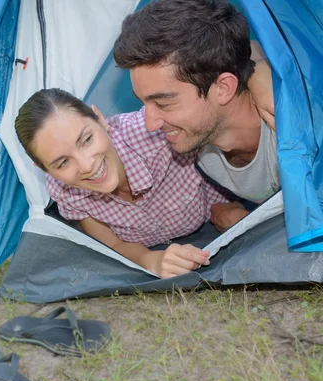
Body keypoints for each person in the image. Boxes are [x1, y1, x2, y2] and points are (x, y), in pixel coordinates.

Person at [15, 88, 233, 279]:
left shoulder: (153, 132)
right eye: (62, 162)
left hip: (213, 209)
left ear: (101, 120)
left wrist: (225, 209)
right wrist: (152, 260)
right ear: (44, 169)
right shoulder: (64, 191)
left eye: (87, 139)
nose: (86, 165)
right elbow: (114, 244)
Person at [113, 0, 278, 233]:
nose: (150, 124)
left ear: (223, 88)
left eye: (163, 102)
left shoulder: (292, 129)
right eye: (144, 102)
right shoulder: (198, 147)